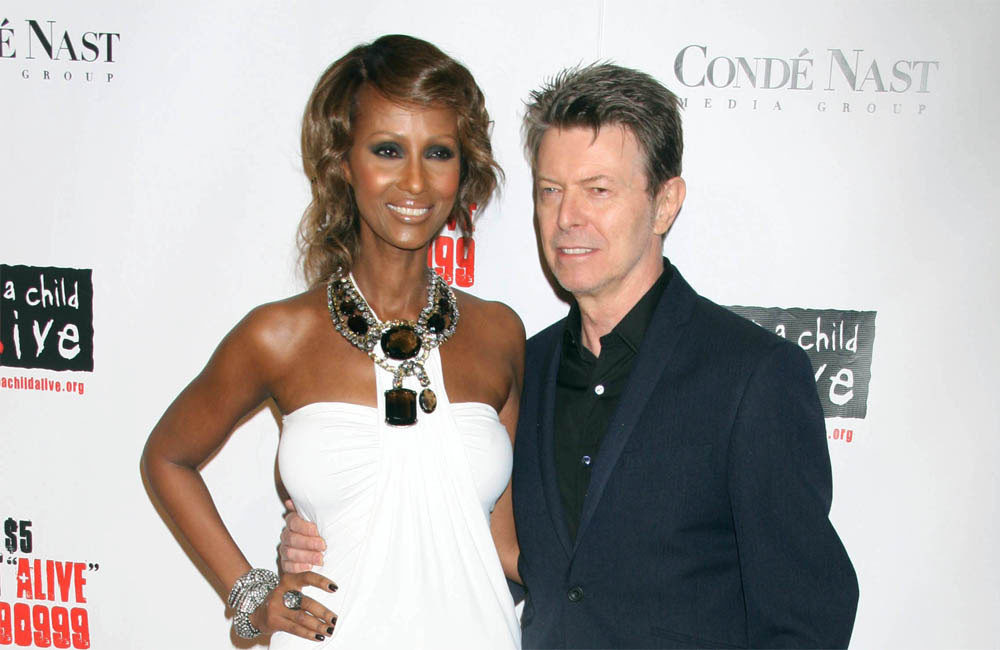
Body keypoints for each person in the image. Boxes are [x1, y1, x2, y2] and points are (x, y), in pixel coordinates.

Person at [281, 62, 859, 649]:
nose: (566, 219)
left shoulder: (750, 376)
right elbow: (496, 554)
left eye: (597, 190)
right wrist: (330, 530)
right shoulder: (524, 367)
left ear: (665, 203)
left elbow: (807, 617)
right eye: (550, 191)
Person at [142, 34, 523, 649]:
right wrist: (252, 596)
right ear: (344, 162)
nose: (415, 181)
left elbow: (507, 547)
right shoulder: (279, 335)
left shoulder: (500, 333)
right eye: (388, 150)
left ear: (464, 168)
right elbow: (167, 458)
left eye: (439, 152)